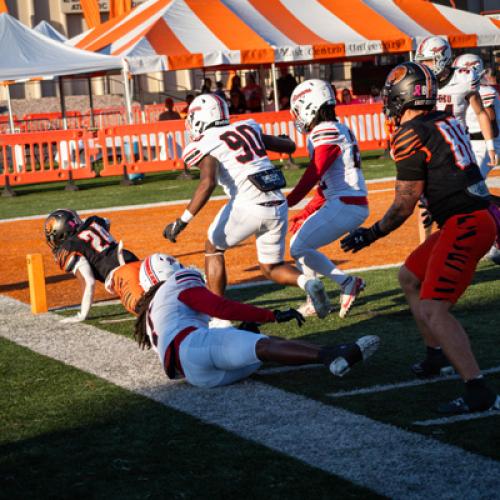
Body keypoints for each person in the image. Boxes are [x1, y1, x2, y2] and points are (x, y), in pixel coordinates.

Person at [341, 62, 499, 415]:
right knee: (409, 277)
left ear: (402, 94)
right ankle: (436, 354)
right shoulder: (444, 120)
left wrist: (371, 233)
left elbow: (404, 203)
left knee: (434, 308)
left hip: (466, 222)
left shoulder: (410, 133)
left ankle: (478, 390)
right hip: (471, 215)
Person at [162, 94, 331, 319]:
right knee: (271, 266)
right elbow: (288, 145)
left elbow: (208, 182)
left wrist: (182, 221)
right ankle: (308, 282)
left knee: (213, 248)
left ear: (202, 116)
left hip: (249, 202)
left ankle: (218, 316)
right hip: (278, 203)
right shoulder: (247, 127)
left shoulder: (206, 142)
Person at [134, 253, 380, 388]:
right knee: (263, 347)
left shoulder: (150, 313)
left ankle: (330, 356)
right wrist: (271, 315)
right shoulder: (178, 283)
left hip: (196, 376)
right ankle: (331, 355)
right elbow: (218, 306)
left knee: (258, 346)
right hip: (195, 348)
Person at [287, 79, 369, 319]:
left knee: (298, 246)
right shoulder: (336, 128)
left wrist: (289, 200)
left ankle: (345, 283)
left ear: (309, 105)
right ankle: (317, 297)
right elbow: (325, 188)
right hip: (344, 202)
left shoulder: (325, 131)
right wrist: (304, 213)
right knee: (301, 239)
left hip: (346, 204)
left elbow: (316, 170)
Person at [44, 209, 142, 321]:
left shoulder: (71, 246)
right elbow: (106, 221)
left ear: (62, 231)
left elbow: (88, 282)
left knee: (146, 310)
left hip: (122, 276)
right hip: (134, 261)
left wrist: (82, 315)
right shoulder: (94, 221)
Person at [415, 36, 497, 169]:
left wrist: (490, 147)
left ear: (442, 57)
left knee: (470, 187)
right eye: (421, 62)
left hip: (459, 145)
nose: (424, 65)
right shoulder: (420, 82)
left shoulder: (464, 79)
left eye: (428, 61)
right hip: (432, 145)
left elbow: (481, 113)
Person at [454, 53, 500, 265]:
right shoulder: (469, 90)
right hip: (472, 144)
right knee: (470, 191)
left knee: (472, 191)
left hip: (484, 144)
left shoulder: (486, 91)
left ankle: (493, 236)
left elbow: (490, 122)